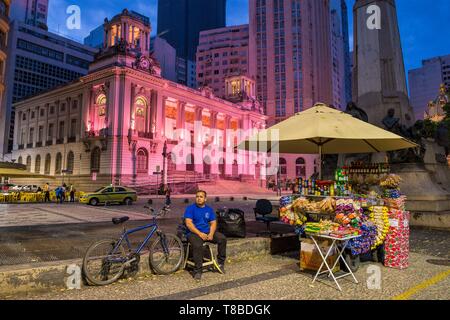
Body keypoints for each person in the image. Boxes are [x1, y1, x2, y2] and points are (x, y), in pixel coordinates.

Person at [184, 190, 227, 281]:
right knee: (198, 245)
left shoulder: (209, 209)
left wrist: (211, 234)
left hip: (207, 232)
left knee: (222, 239)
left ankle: (220, 263)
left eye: (201, 197)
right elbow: (188, 224)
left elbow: (213, 223)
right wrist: (199, 234)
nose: (198, 198)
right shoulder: (190, 208)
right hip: (194, 233)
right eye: (197, 196)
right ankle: (198, 271)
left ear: (205, 199)